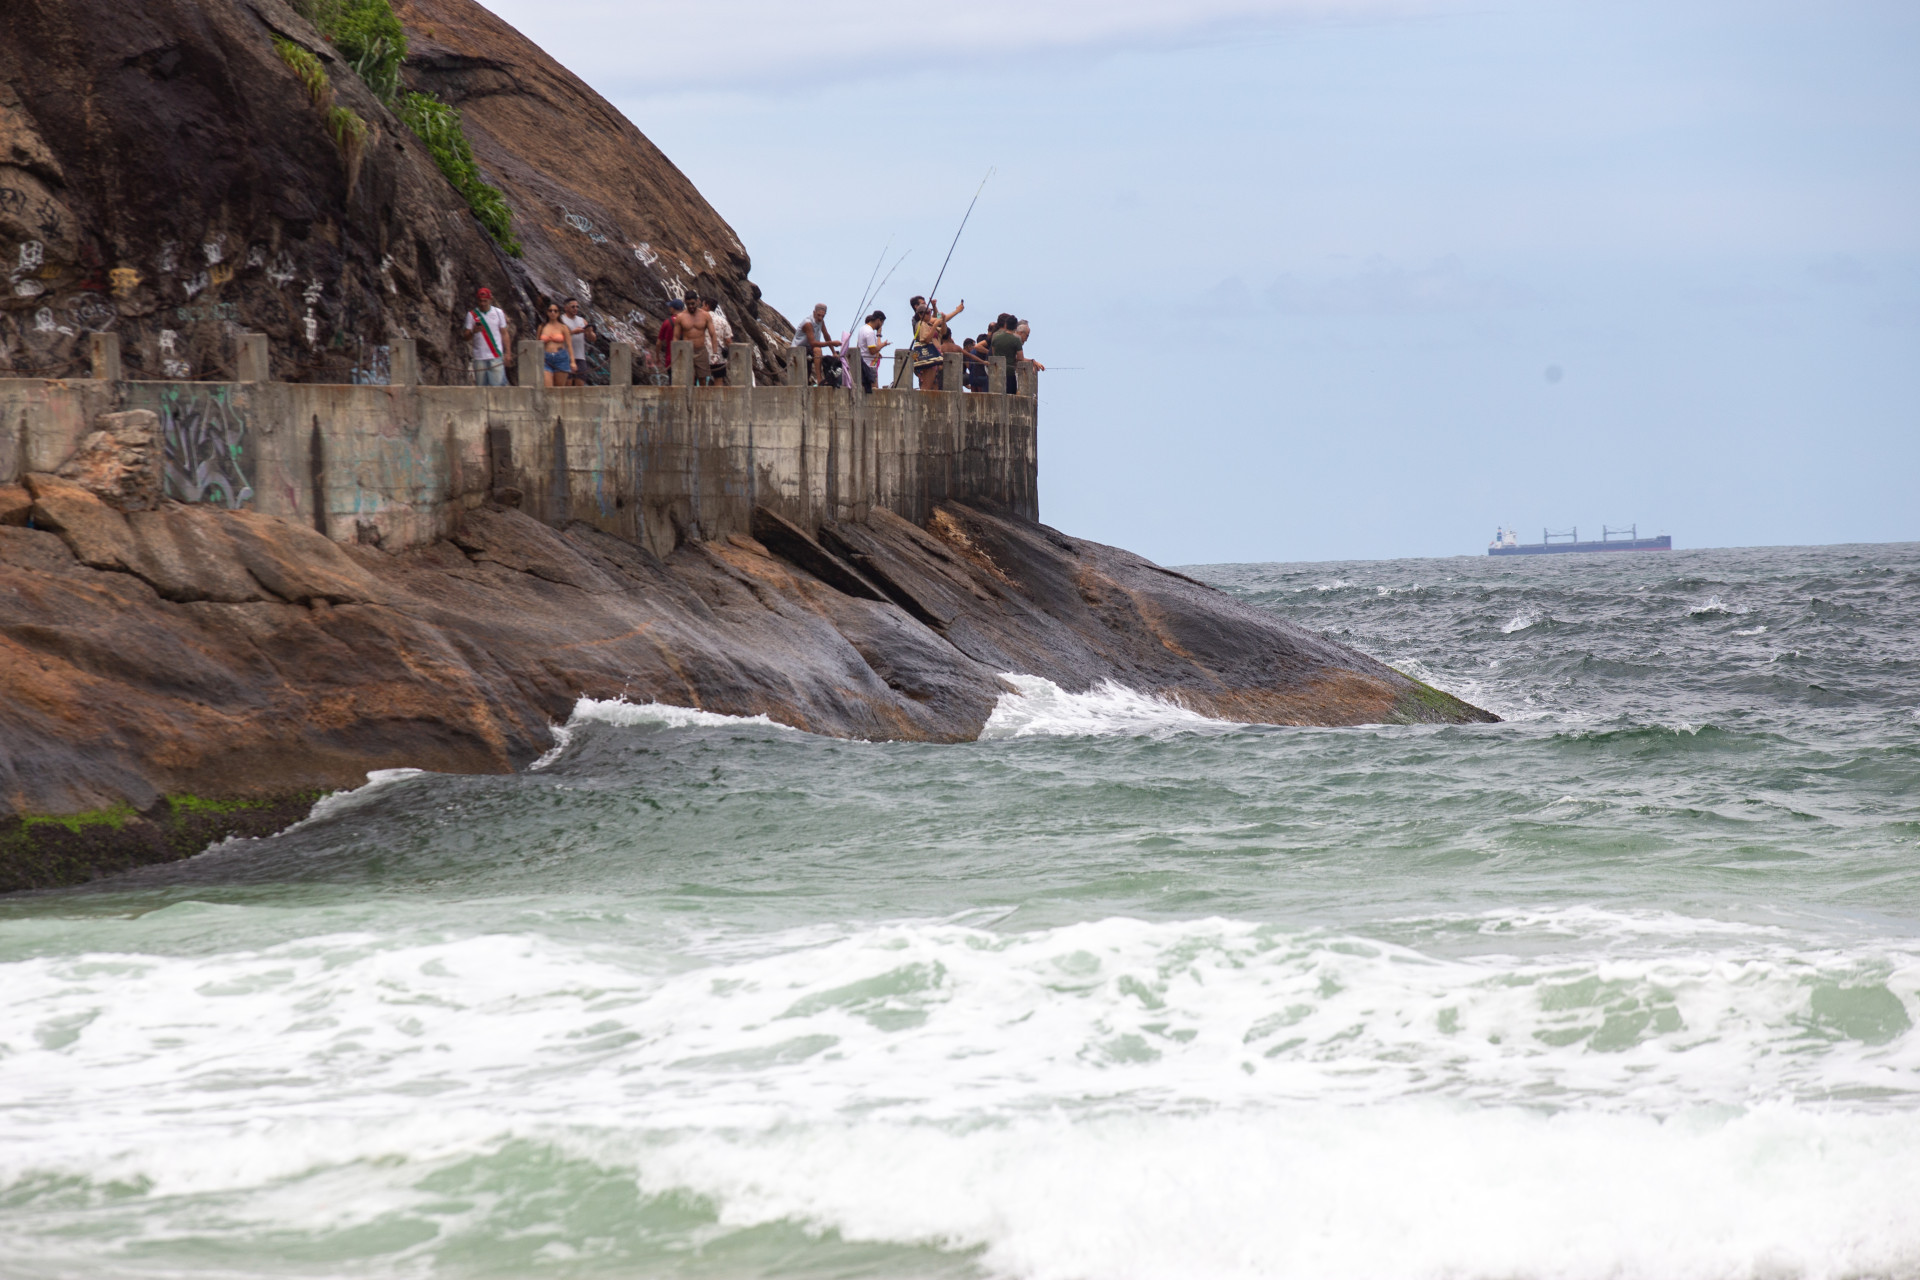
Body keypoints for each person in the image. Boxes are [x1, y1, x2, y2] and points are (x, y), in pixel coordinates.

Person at [911, 295, 964, 390]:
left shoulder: (929, 321)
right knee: (927, 384)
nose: (929, 313)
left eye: (929, 311)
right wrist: (957, 311)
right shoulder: (919, 321)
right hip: (927, 355)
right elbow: (937, 321)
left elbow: (939, 321)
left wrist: (935, 307)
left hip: (935, 355)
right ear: (917, 308)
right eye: (924, 305)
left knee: (935, 384)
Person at [464, 286, 512, 386]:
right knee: (481, 388)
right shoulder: (472, 315)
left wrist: (508, 353)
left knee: (497, 387)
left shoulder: (498, 313)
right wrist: (473, 332)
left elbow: (504, 333)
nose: (482, 304)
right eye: (480, 301)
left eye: (485, 301)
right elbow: (466, 336)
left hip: (495, 355)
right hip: (479, 357)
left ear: (490, 300)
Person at [795, 304, 841, 386]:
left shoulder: (821, 321)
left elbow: (826, 335)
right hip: (799, 348)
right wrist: (832, 343)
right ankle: (819, 381)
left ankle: (821, 380)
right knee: (817, 349)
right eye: (818, 315)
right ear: (814, 312)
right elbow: (813, 343)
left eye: (823, 316)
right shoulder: (808, 323)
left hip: (810, 349)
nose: (820, 318)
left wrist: (833, 352)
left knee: (823, 355)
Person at [673, 293, 714, 384]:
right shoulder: (680, 317)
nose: (690, 306)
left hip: (701, 350)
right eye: (688, 304)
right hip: (686, 351)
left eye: (692, 303)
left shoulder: (705, 315)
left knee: (703, 379)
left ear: (698, 301)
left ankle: (703, 398)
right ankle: (688, 398)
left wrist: (714, 353)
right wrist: (675, 354)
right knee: (688, 379)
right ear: (685, 303)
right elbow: (675, 337)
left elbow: (713, 335)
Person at [538, 302, 575, 387]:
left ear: (558, 313)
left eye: (555, 311)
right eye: (550, 311)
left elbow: (569, 345)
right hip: (546, 358)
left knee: (559, 388)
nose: (553, 313)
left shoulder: (563, 327)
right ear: (547, 312)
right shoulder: (542, 327)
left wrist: (573, 362)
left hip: (560, 357)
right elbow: (537, 344)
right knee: (547, 387)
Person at [849, 310, 887, 393]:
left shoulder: (862, 328)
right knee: (874, 390)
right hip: (869, 365)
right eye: (882, 323)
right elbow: (872, 351)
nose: (881, 326)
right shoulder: (869, 332)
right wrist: (883, 344)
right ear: (878, 320)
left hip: (862, 363)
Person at [561, 298, 594, 386]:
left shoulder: (582, 320)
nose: (575, 309)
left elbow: (593, 338)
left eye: (577, 307)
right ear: (566, 308)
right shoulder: (561, 320)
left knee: (580, 385)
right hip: (565, 356)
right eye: (573, 307)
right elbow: (557, 337)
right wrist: (572, 332)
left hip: (580, 357)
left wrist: (590, 332)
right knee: (568, 385)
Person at [988, 312, 1024, 393]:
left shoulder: (996, 338)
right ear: (1015, 327)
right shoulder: (1016, 339)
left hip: (997, 373)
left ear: (1006, 325)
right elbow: (1020, 358)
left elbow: (994, 354)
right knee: (1010, 397)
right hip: (1010, 373)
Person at [707, 301, 734, 385]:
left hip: (703, 354)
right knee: (718, 380)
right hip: (718, 356)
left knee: (701, 380)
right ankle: (718, 398)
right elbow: (728, 340)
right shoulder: (722, 321)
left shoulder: (700, 320)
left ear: (706, 306)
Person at [657, 300, 683, 372]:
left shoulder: (667, 322)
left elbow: (658, 343)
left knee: (673, 382)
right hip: (686, 358)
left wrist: (657, 357)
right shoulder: (687, 321)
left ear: (672, 308)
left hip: (671, 360)